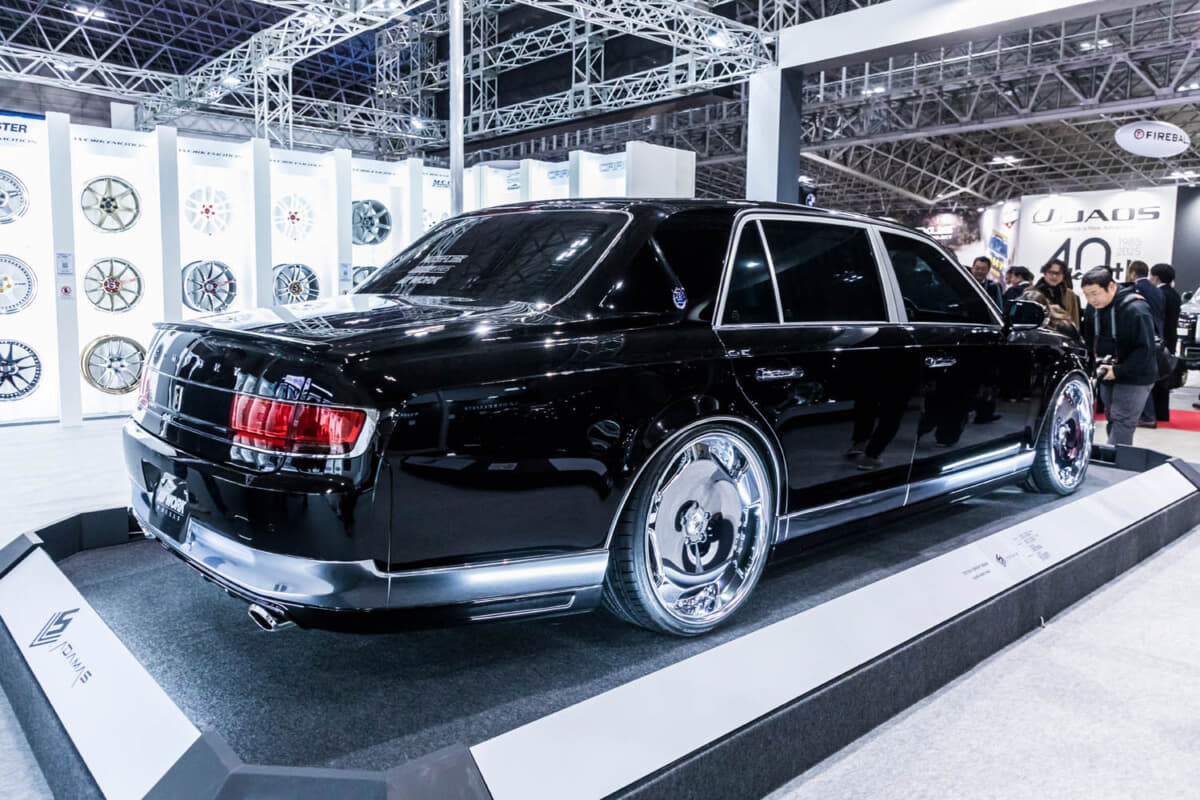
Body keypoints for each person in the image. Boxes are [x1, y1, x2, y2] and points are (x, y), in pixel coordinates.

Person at [1080, 267, 1158, 447]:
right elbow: (1089, 341)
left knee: (1123, 421)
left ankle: (1116, 461)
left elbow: (1145, 350)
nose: (1091, 300)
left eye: (1095, 294)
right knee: (1113, 418)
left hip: (1136, 375)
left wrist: (1118, 370)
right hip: (1106, 372)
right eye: (1087, 295)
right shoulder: (1093, 309)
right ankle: (1114, 456)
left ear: (1111, 286)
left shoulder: (1136, 309)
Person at [1126, 260, 1165, 427]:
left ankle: (1148, 416)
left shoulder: (1136, 289)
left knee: (1140, 378)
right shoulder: (1157, 290)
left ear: (1133, 273)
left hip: (1142, 337)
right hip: (1156, 338)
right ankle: (1147, 414)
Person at [1149, 263, 1182, 422]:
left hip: (1160, 341)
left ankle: (1155, 412)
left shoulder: (1159, 294)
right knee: (1165, 377)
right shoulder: (1174, 294)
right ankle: (1162, 413)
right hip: (1171, 339)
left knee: (1156, 377)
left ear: (1156, 277)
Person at [1034, 259, 1081, 329]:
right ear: (1044, 273)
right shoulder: (1031, 292)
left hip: (1064, 333)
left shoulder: (1070, 295)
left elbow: (1075, 319)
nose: (1054, 276)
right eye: (1051, 272)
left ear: (1063, 275)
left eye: (1058, 273)